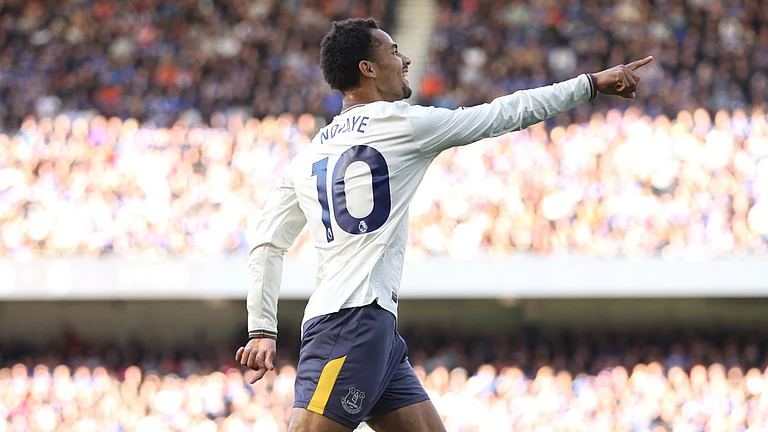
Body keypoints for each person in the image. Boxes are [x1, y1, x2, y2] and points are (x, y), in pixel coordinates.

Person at [235, 17, 652, 432]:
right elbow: (506, 113)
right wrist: (590, 84)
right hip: (351, 324)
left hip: (365, 327)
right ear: (368, 68)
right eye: (394, 52)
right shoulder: (404, 124)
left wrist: (262, 329)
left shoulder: (307, 156)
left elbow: (267, 243)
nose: (406, 59)